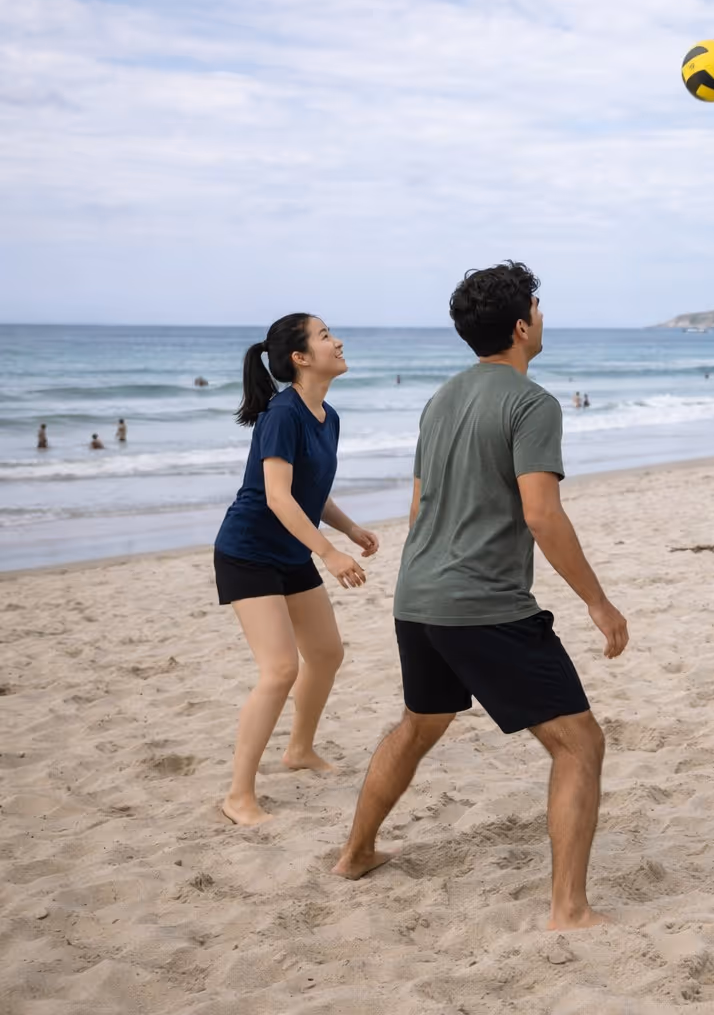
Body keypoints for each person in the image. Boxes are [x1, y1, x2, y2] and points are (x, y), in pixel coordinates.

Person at [332, 262, 626, 932]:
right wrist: (597, 602)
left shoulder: (441, 399)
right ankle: (569, 909)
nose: (543, 318)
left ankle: (355, 855)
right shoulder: (532, 403)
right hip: (482, 605)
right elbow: (542, 515)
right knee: (579, 744)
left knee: (420, 722)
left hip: (419, 595)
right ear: (521, 327)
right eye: (538, 309)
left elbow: (418, 505)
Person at [213, 314, 378, 826]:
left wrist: (349, 530)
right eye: (326, 335)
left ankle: (299, 750)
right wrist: (328, 554)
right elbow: (279, 498)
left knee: (326, 654)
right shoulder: (281, 414)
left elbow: (311, 491)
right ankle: (238, 795)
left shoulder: (326, 414)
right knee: (280, 669)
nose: (339, 340)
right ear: (301, 358)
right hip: (249, 551)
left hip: (288, 551)